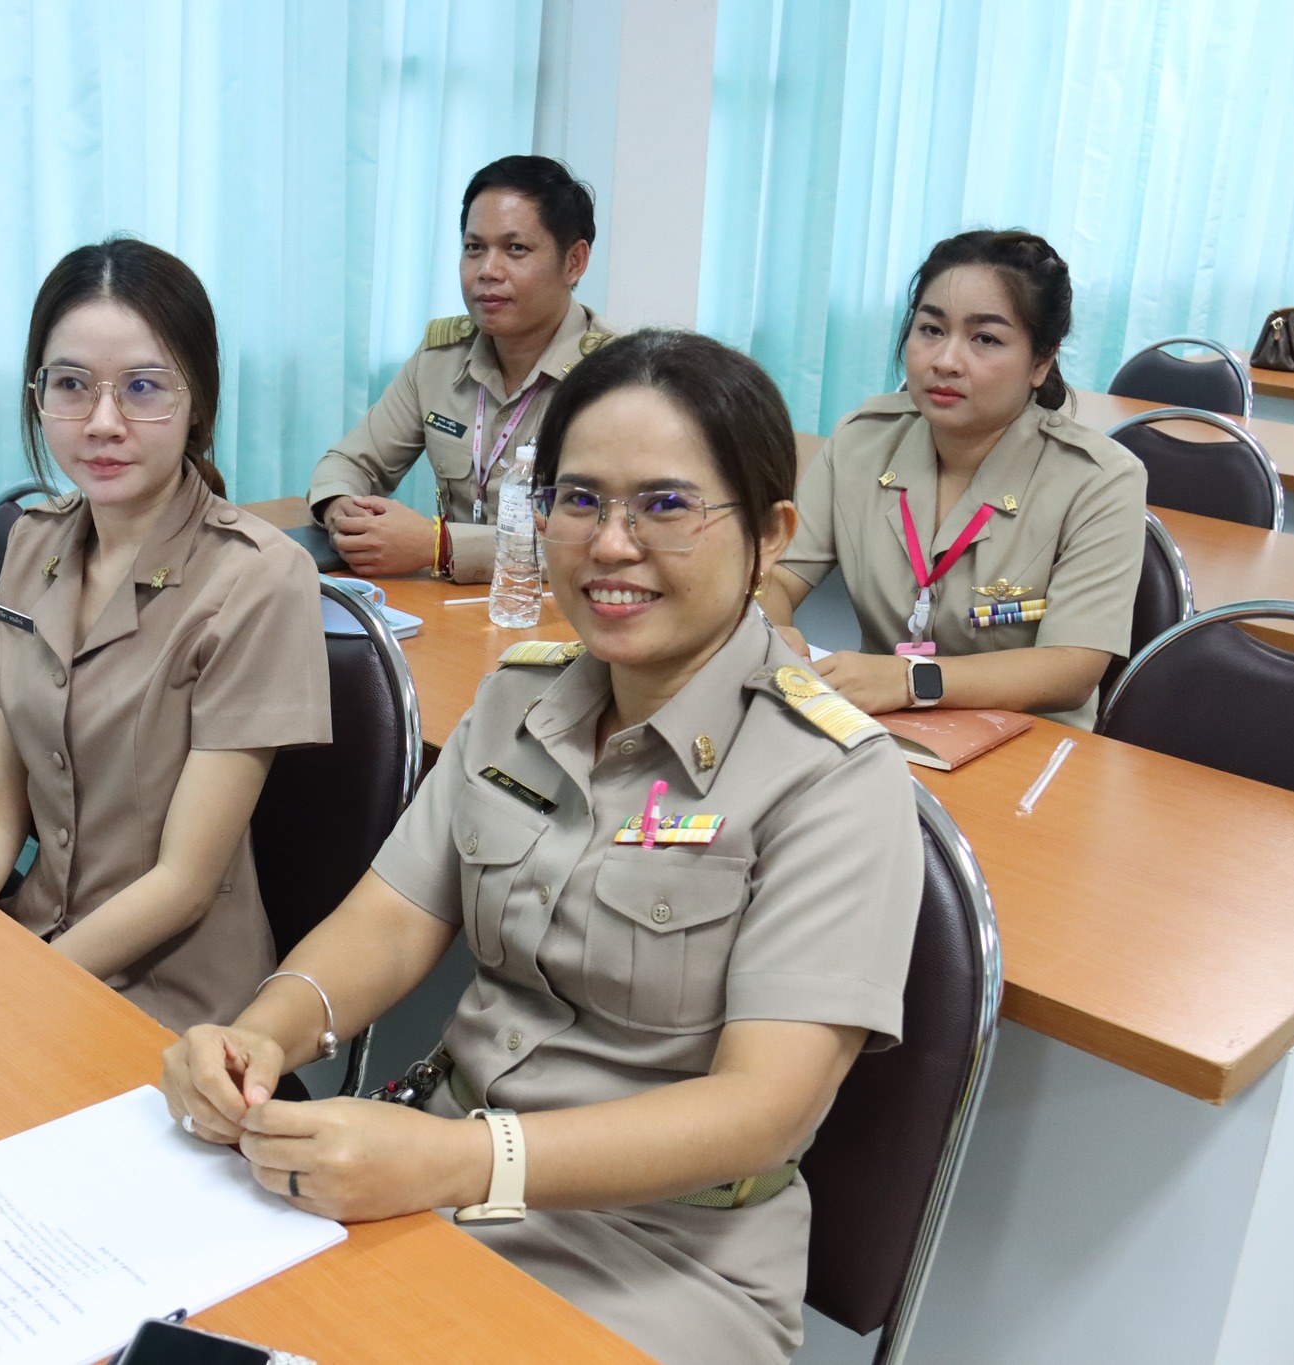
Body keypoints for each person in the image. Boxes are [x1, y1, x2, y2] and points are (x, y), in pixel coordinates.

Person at [163, 330, 922, 1365]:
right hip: (431, 1169)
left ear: (768, 534)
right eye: (579, 500)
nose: (610, 545)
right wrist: (261, 1034)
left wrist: (463, 1163)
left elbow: (761, 1111)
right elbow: (390, 920)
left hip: (664, 1250)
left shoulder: (832, 776)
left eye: (665, 505)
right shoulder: (520, 697)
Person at [0, 239, 331, 1034]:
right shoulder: (31, 542)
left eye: (144, 387)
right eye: (70, 385)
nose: (103, 422)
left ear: (198, 402)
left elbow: (183, 882)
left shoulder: (259, 578)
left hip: (169, 1001)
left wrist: (12, 988)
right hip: (31, 946)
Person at [761, 229, 1147, 728]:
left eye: (985, 339)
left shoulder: (1100, 480)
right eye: (931, 330)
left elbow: (1072, 667)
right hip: (878, 730)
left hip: (1027, 744)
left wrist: (911, 680)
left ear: (1041, 362)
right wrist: (774, 632)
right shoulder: (861, 442)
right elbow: (777, 577)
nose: (945, 360)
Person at [308, 155, 617, 583]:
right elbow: (350, 462)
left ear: (574, 262)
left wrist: (441, 546)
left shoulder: (615, 380)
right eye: (474, 248)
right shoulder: (441, 357)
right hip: (449, 606)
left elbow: (599, 540)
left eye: (516, 249)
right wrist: (342, 508)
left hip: (555, 612)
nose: (487, 271)